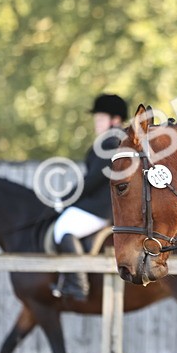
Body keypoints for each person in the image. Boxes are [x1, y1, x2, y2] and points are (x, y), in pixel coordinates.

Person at [51, 93, 127, 300]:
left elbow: (93, 180)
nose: (96, 123)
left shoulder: (112, 144)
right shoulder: (113, 141)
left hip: (102, 207)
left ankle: (78, 283)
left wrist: (65, 199)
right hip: (100, 204)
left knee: (63, 227)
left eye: (100, 119)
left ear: (116, 120)